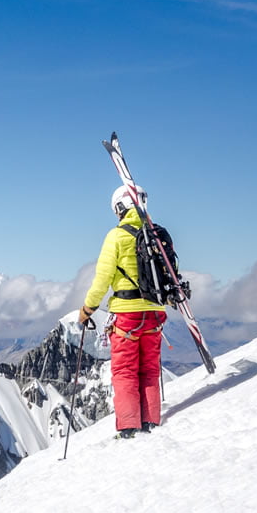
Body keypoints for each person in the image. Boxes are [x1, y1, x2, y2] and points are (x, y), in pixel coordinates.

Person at [78, 186, 166, 439]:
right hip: (155, 313)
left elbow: (102, 278)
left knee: (126, 371)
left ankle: (129, 427)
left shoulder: (116, 237)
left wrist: (88, 308)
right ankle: (151, 420)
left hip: (127, 315)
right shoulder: (157, 235)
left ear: (119, 208)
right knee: (149, 368)